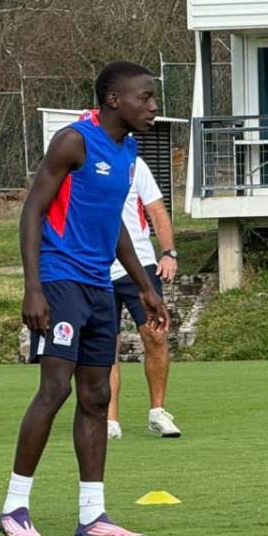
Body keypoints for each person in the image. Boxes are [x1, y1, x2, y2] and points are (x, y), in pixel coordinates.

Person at [0, 62, 170, 536]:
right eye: (146, 97)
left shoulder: (128, 149)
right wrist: (33, 286)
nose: (153, 106)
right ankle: (14, 507)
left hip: (99, 283)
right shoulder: (74, 141)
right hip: (60, 279)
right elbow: (32, 210)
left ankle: (92, 514)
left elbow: (111, 222)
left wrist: (144, 284)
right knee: (54, 390)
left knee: (96, 396)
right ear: (114, 99)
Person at [107, 156, 182, 439]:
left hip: (139, 265)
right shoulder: (82, 163)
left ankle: (157, 412)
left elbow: (156, 210)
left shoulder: (134, 164)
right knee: (105, 344)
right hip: (97, 267)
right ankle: (110, 420)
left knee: (156, 335)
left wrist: (168, 252)